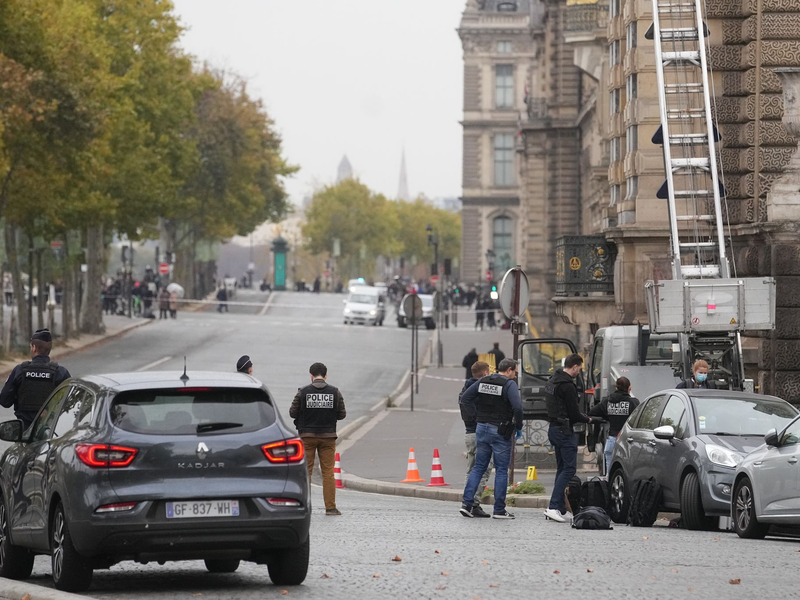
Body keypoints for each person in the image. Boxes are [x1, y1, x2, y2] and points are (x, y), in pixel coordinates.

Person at [459, 358, 524, 519]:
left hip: (481, 428)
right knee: (502, 470)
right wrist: (518, 427)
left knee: (479, 467)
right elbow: (517, 407)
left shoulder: (484, 381)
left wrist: (477, 416)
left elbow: (465, 398)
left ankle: (467, 504)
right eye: (515, 371)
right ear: (508, 370)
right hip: (500, 429)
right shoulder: (509, 384)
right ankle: (499, 510)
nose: (515, 375)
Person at [544, 353, 597, 523]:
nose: (578, 372)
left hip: (553, 428)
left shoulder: (553, 380)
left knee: (561, 469)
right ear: (574, 366)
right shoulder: (567, 385)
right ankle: (553, 507)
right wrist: (588, 419)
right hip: (564, 430)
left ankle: (560, 508)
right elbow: (573, 414)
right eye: (579, 369)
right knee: (569, 469)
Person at [289, 362, 347, 516]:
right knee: (328, 472)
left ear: (311, 376)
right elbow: (342, 414)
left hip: (307, 437)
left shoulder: (303, 392)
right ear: (326, 376)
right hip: (328, 437)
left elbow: (292, 413)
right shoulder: (335, 392)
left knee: (306, 472)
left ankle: (305, 507)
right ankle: (330, 508)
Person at [0, 329, 71, 429]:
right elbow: (69, 404)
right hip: (50, 431)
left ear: (34, 348)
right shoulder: (61, 373)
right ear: (49, 349)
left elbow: (4, 401)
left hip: (24, 432)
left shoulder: (20, 371)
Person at [460, 361, 493, 518]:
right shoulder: (481, 390)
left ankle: (467, 501)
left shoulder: (465, 389)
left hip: (469, 433)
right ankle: (474, 503)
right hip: (480, 432)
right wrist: (479, 419)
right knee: (484, 469)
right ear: (485, 373)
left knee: (471, 469)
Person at [589, 376, 640, 474]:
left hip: (612, 440)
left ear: (616, 388)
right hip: (628, 441)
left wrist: (607, 418)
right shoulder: (633, 402)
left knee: (610, 474)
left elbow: (592, 412)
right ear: (629, 388)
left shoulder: (607, 401)